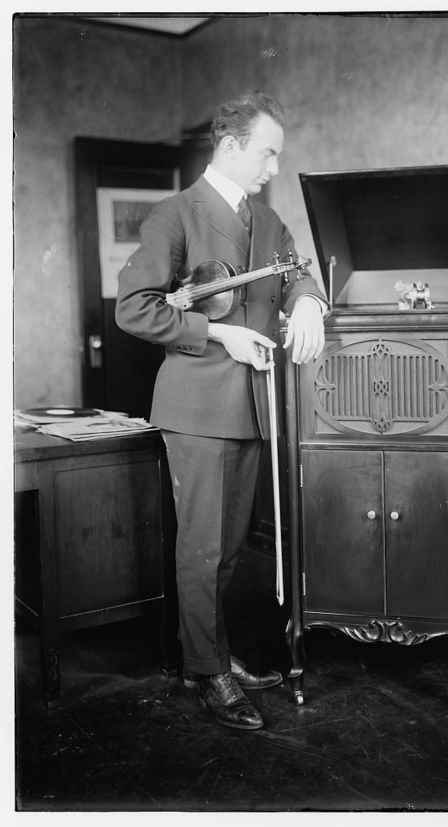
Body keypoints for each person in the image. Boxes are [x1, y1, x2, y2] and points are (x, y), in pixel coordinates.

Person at [115, 91, 328, 731]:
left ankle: (209, 654)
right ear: (231, 146)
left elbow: (297, 272)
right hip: (198, 405)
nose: (274, 168)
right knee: (203, 549)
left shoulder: (268, 219)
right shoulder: (176, 214)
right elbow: (136, 308)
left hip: (254, 405)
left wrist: (309, 301)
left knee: (230, 549)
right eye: (267, 153)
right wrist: (218, 333)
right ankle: (208, 673)